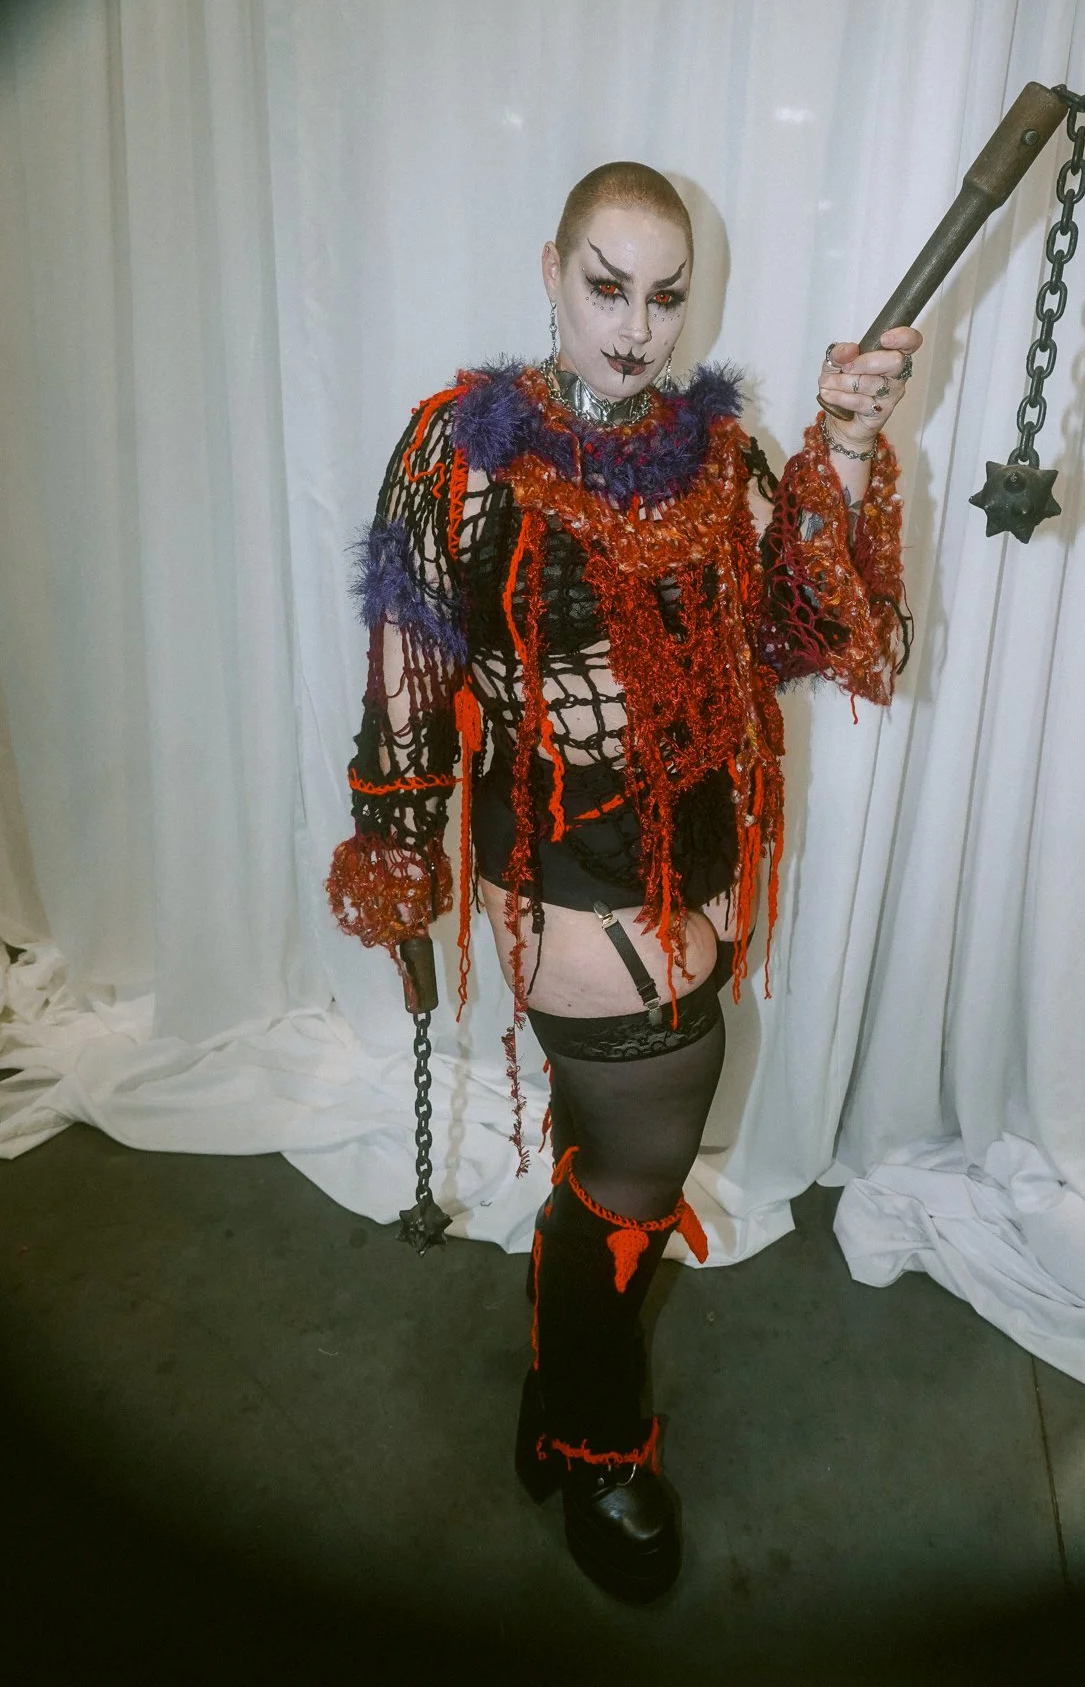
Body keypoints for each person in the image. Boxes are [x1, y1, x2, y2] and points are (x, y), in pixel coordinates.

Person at [325, 160, 918, 1603]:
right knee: (644, 1161)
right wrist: (398, 847)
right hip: (562, 855)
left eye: (665, 297)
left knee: (619, 1166)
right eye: (607, 289)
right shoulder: (463, 449)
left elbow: (809, 630)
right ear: (553, 273)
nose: (637, 329)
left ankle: (556, 1377)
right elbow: (409, 670)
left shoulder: (717, 452)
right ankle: (599, 1439)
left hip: (698, 844)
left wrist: (844, 446)